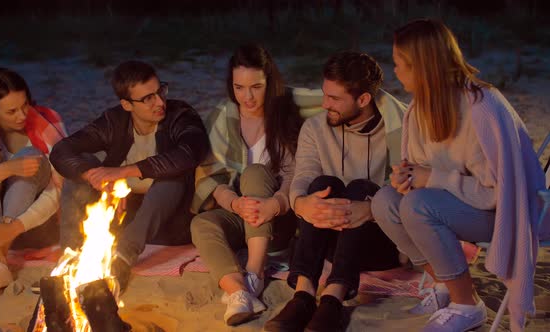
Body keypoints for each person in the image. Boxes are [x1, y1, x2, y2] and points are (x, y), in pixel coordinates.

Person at [371, 19, 546, 332]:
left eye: (399, 64)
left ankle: (467, 305)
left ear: (422, 66)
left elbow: (501, 193)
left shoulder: (482, 107)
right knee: (385, 201)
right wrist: (408, 177)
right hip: (455, 206)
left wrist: (432, 178)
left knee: (418, 206)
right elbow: (421, 170)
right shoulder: (421, 107)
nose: (395, 71)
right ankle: (444, 288)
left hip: (510, 213)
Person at [264, 51, 407, 332]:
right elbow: (303, 175)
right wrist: (302, 204)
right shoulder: (315, 127)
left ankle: (333, 299)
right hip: (328, 236)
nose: (324, 103)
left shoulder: (399, 128)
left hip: (379, 242)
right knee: (320, 185)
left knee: (362, 188)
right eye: (324, 94)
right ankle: (303, 295)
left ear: (363, 99)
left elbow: (408, 192)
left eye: (334, 98)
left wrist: (369, 209)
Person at [50, 60, 209, 291]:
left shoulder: (181, 115)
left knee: (172, 177)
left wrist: (123, 171)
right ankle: (68, 260)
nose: (159, 102)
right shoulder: (113, 122)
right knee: (85, 170)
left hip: (169, 222)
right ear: (126, 104)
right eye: (148, 98)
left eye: (160, 91)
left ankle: (122, 260)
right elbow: (62, 150)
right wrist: (91, 175)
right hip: (122, 218)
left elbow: (189, 153)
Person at [190, 44, 302, 326]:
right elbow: (209, 174)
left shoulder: (285, 115)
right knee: (202, 224)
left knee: (254, 172)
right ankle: (239, 291)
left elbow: (296, 173)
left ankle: (255, 272)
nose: (247, 97)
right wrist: (234, 203)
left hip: (278, 216)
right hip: (243, 212)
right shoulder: (222, 116)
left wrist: (275, 203)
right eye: (239, 87)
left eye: (256, 87)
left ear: (270, 83)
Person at [0, 68, 66, 296]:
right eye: (11, 111)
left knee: (29, 154)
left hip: (34, 226)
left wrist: (12, 228)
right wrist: (4, 170)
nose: (22, 115)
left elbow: (58, 192)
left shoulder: (47, 123)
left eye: (25, 105)